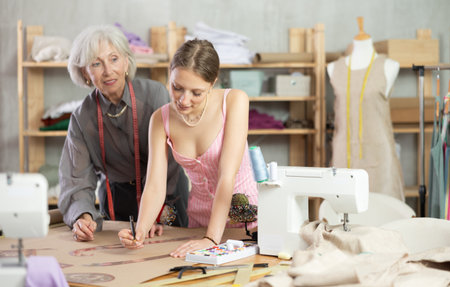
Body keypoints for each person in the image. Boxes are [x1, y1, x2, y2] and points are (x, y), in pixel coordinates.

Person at [118, 39, 258, 257]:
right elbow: (155, 185)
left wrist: (211, 238)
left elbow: (226, 177)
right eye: (177, 87)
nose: (184, 100)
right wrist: (140, 230)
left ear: (212, 83)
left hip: (245, 217)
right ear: (169, 74)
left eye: (196, 93)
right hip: (200, 220)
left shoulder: (234, 101)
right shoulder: (160, 120)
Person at [58, 25, 190, 242]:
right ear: (85, 72)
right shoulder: (82, 118)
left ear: (127, 61)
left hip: (165, 196)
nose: (108, 71)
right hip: (116, 199)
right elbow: (76, 178)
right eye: (96, 64)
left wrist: (153, 213)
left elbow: (171, 163)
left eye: (114, 59)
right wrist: (82, 216)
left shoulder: (155, 96)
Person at [327, 17, 404, 201]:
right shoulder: (333, 68)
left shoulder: (388, 66)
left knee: (384, 211)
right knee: (342, 212)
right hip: (342, 154)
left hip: (379, 155)